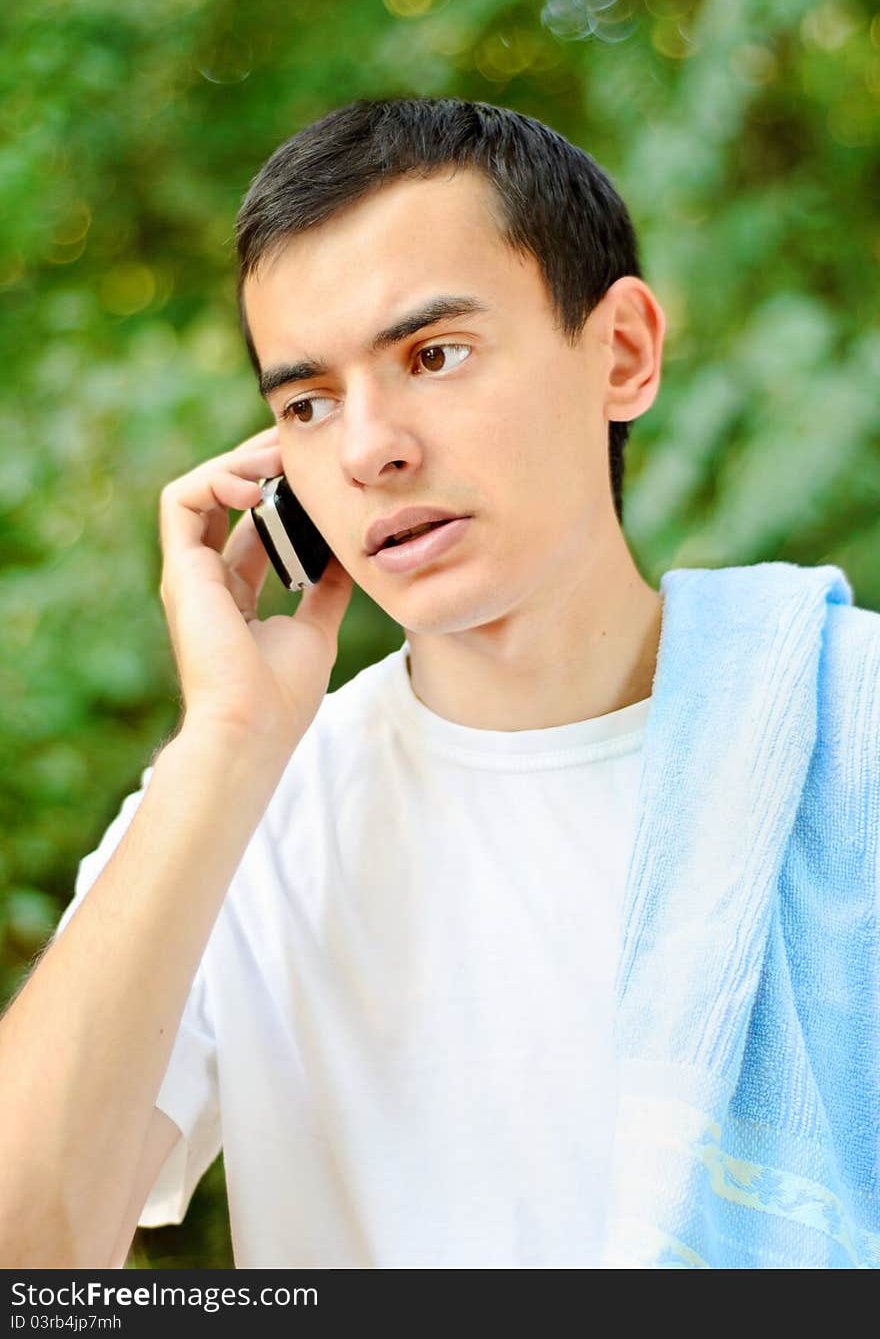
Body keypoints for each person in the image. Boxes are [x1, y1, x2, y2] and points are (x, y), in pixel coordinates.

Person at [1, 98, 877, 1271]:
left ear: (620, 353)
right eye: (307, 405)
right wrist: (222, 744)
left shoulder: (847, 727)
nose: (368, 449)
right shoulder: (238, 812)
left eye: (433, 356)